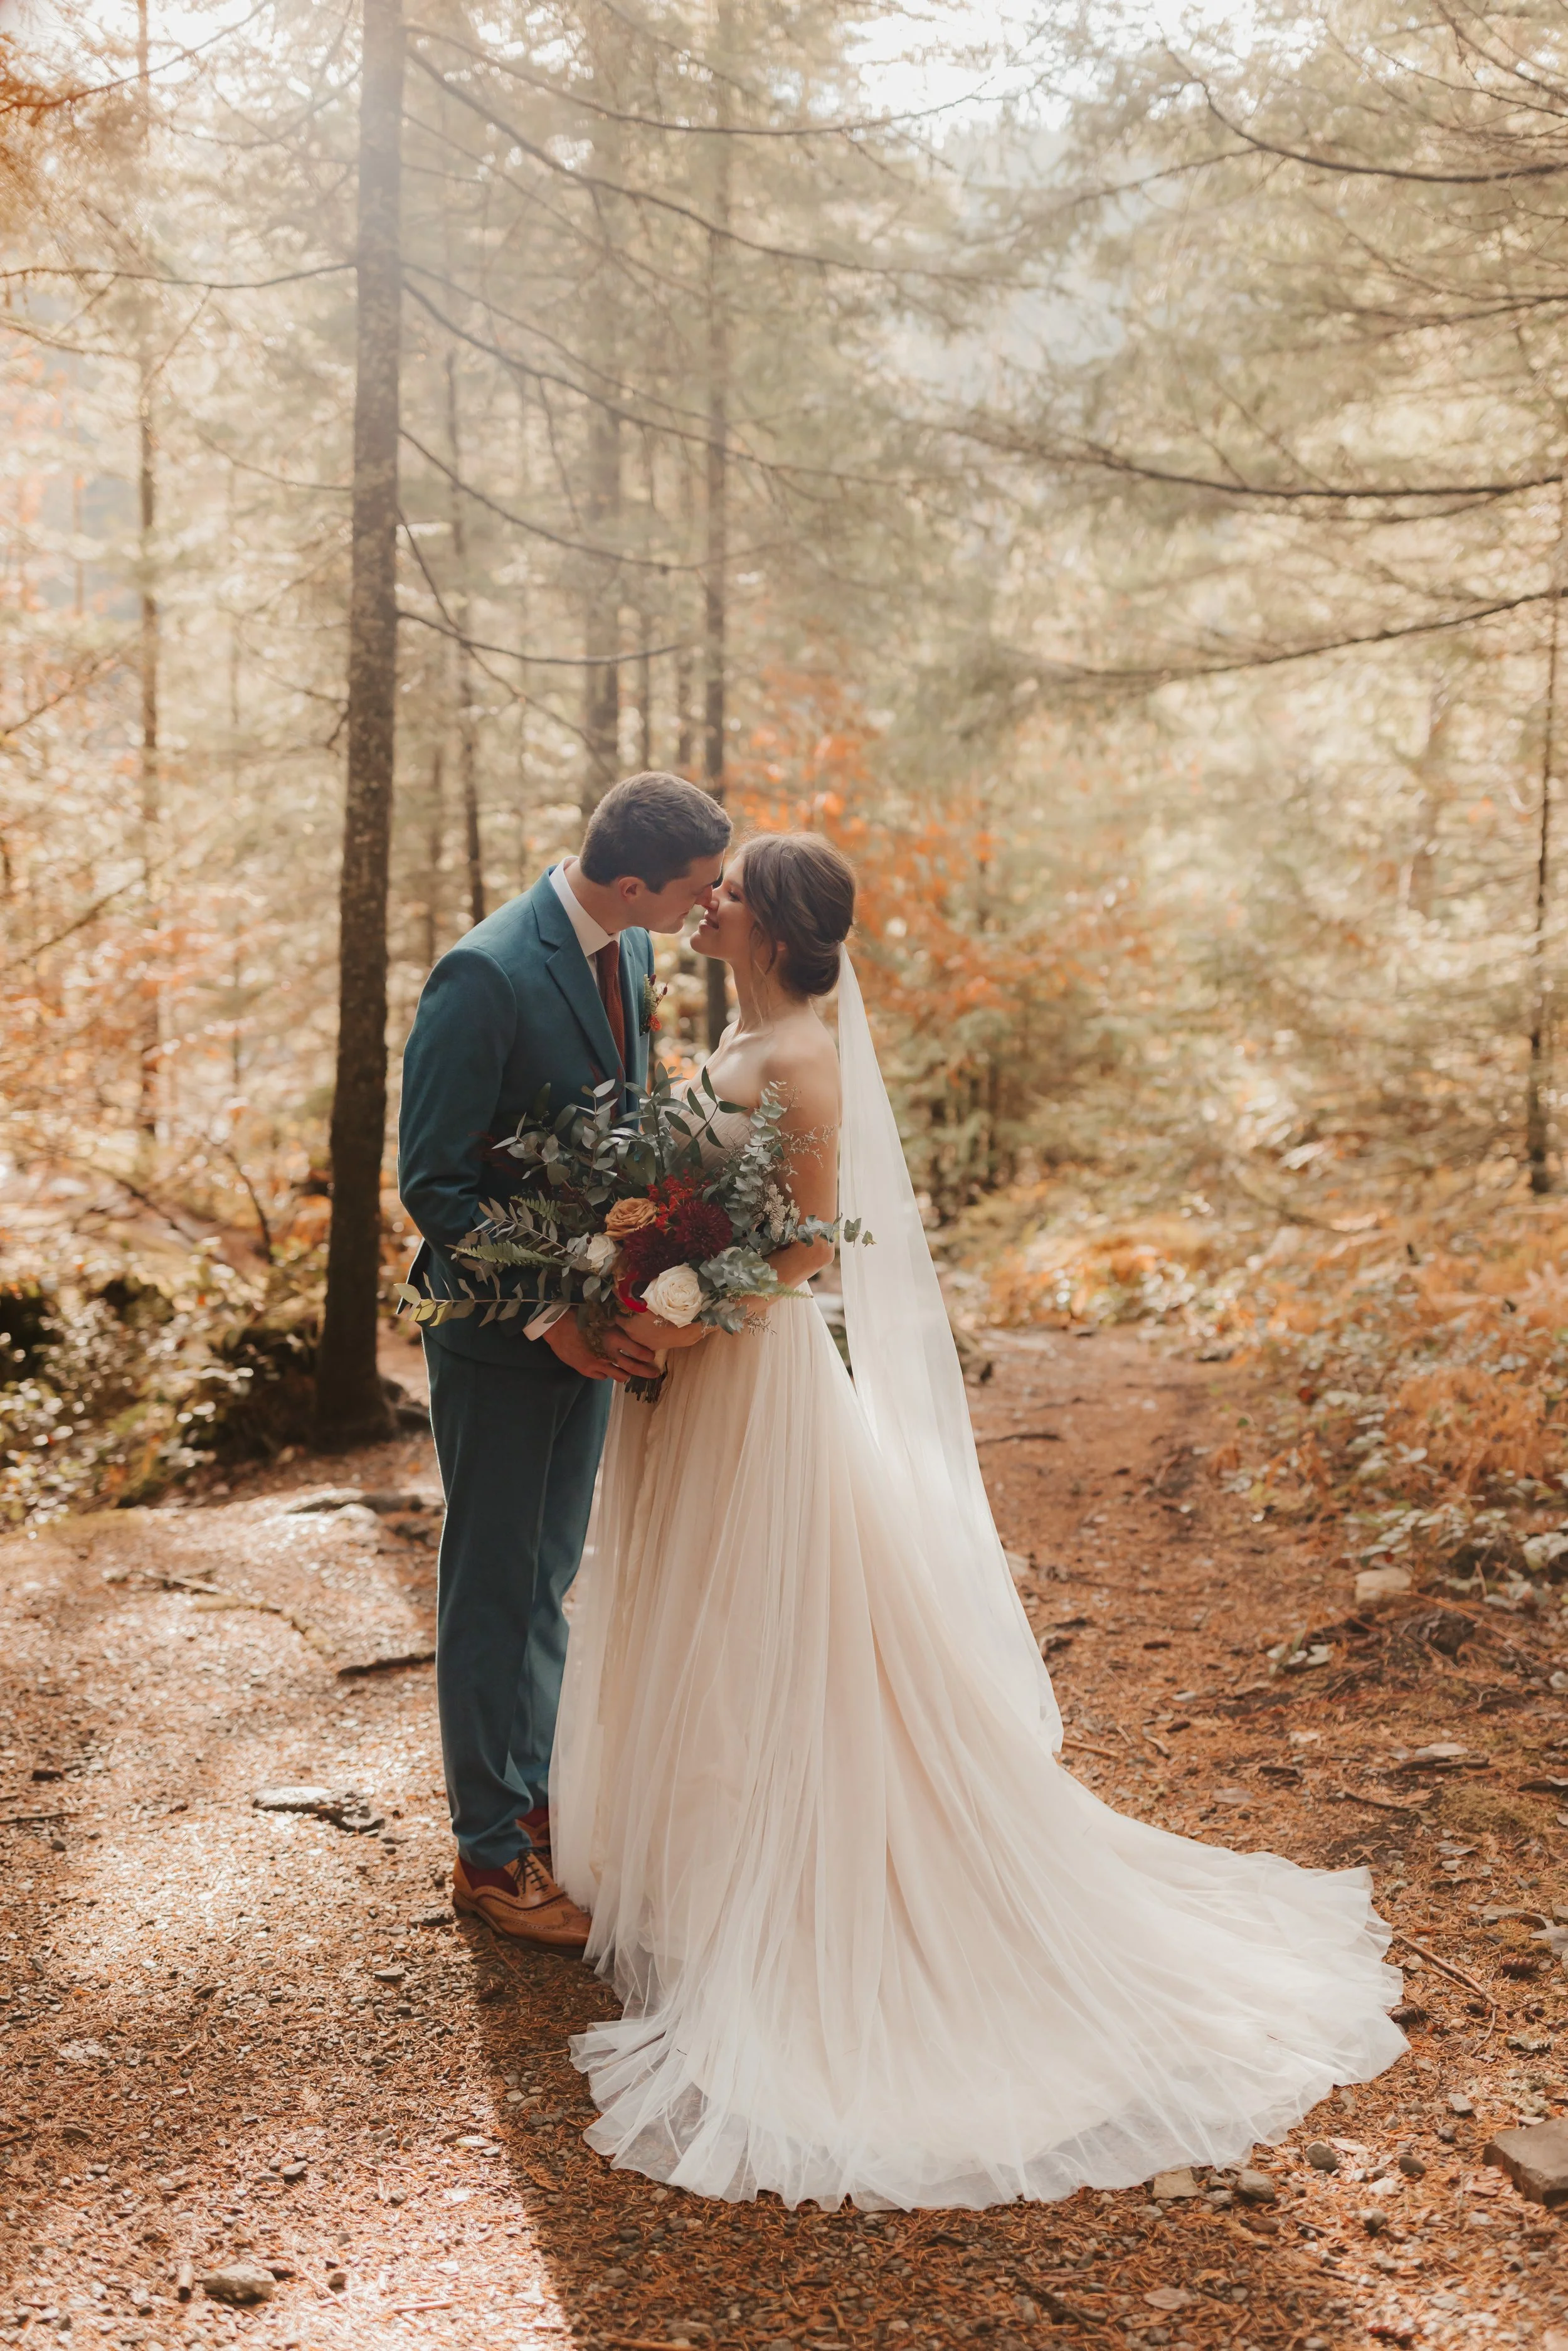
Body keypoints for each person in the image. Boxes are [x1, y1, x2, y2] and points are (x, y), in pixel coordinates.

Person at [552, 831, 1406, 2209]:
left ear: (768, 923)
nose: (703, 904)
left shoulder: (807, 1055)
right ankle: (713, 1868)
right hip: (696, 1368)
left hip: (749, 1371)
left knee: (774, 1610)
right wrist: (642, 1257)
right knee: (706, 1602)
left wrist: (684, 1302)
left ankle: (808, 1886)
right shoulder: (736, 1035)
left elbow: (814, 1240)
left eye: (727, 891)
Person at [398, 772, 731, 1951]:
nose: (707, 910)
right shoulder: (482, 973)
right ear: (633, 881)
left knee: (545, 1578)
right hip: (501, 1338)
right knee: (491, 1587)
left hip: (591, 1329)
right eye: (693, 892)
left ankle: (529, 1793)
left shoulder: (631, 955)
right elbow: (435, 1187)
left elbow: (620, 1131)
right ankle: (488, 1856)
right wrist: (552, 1315)